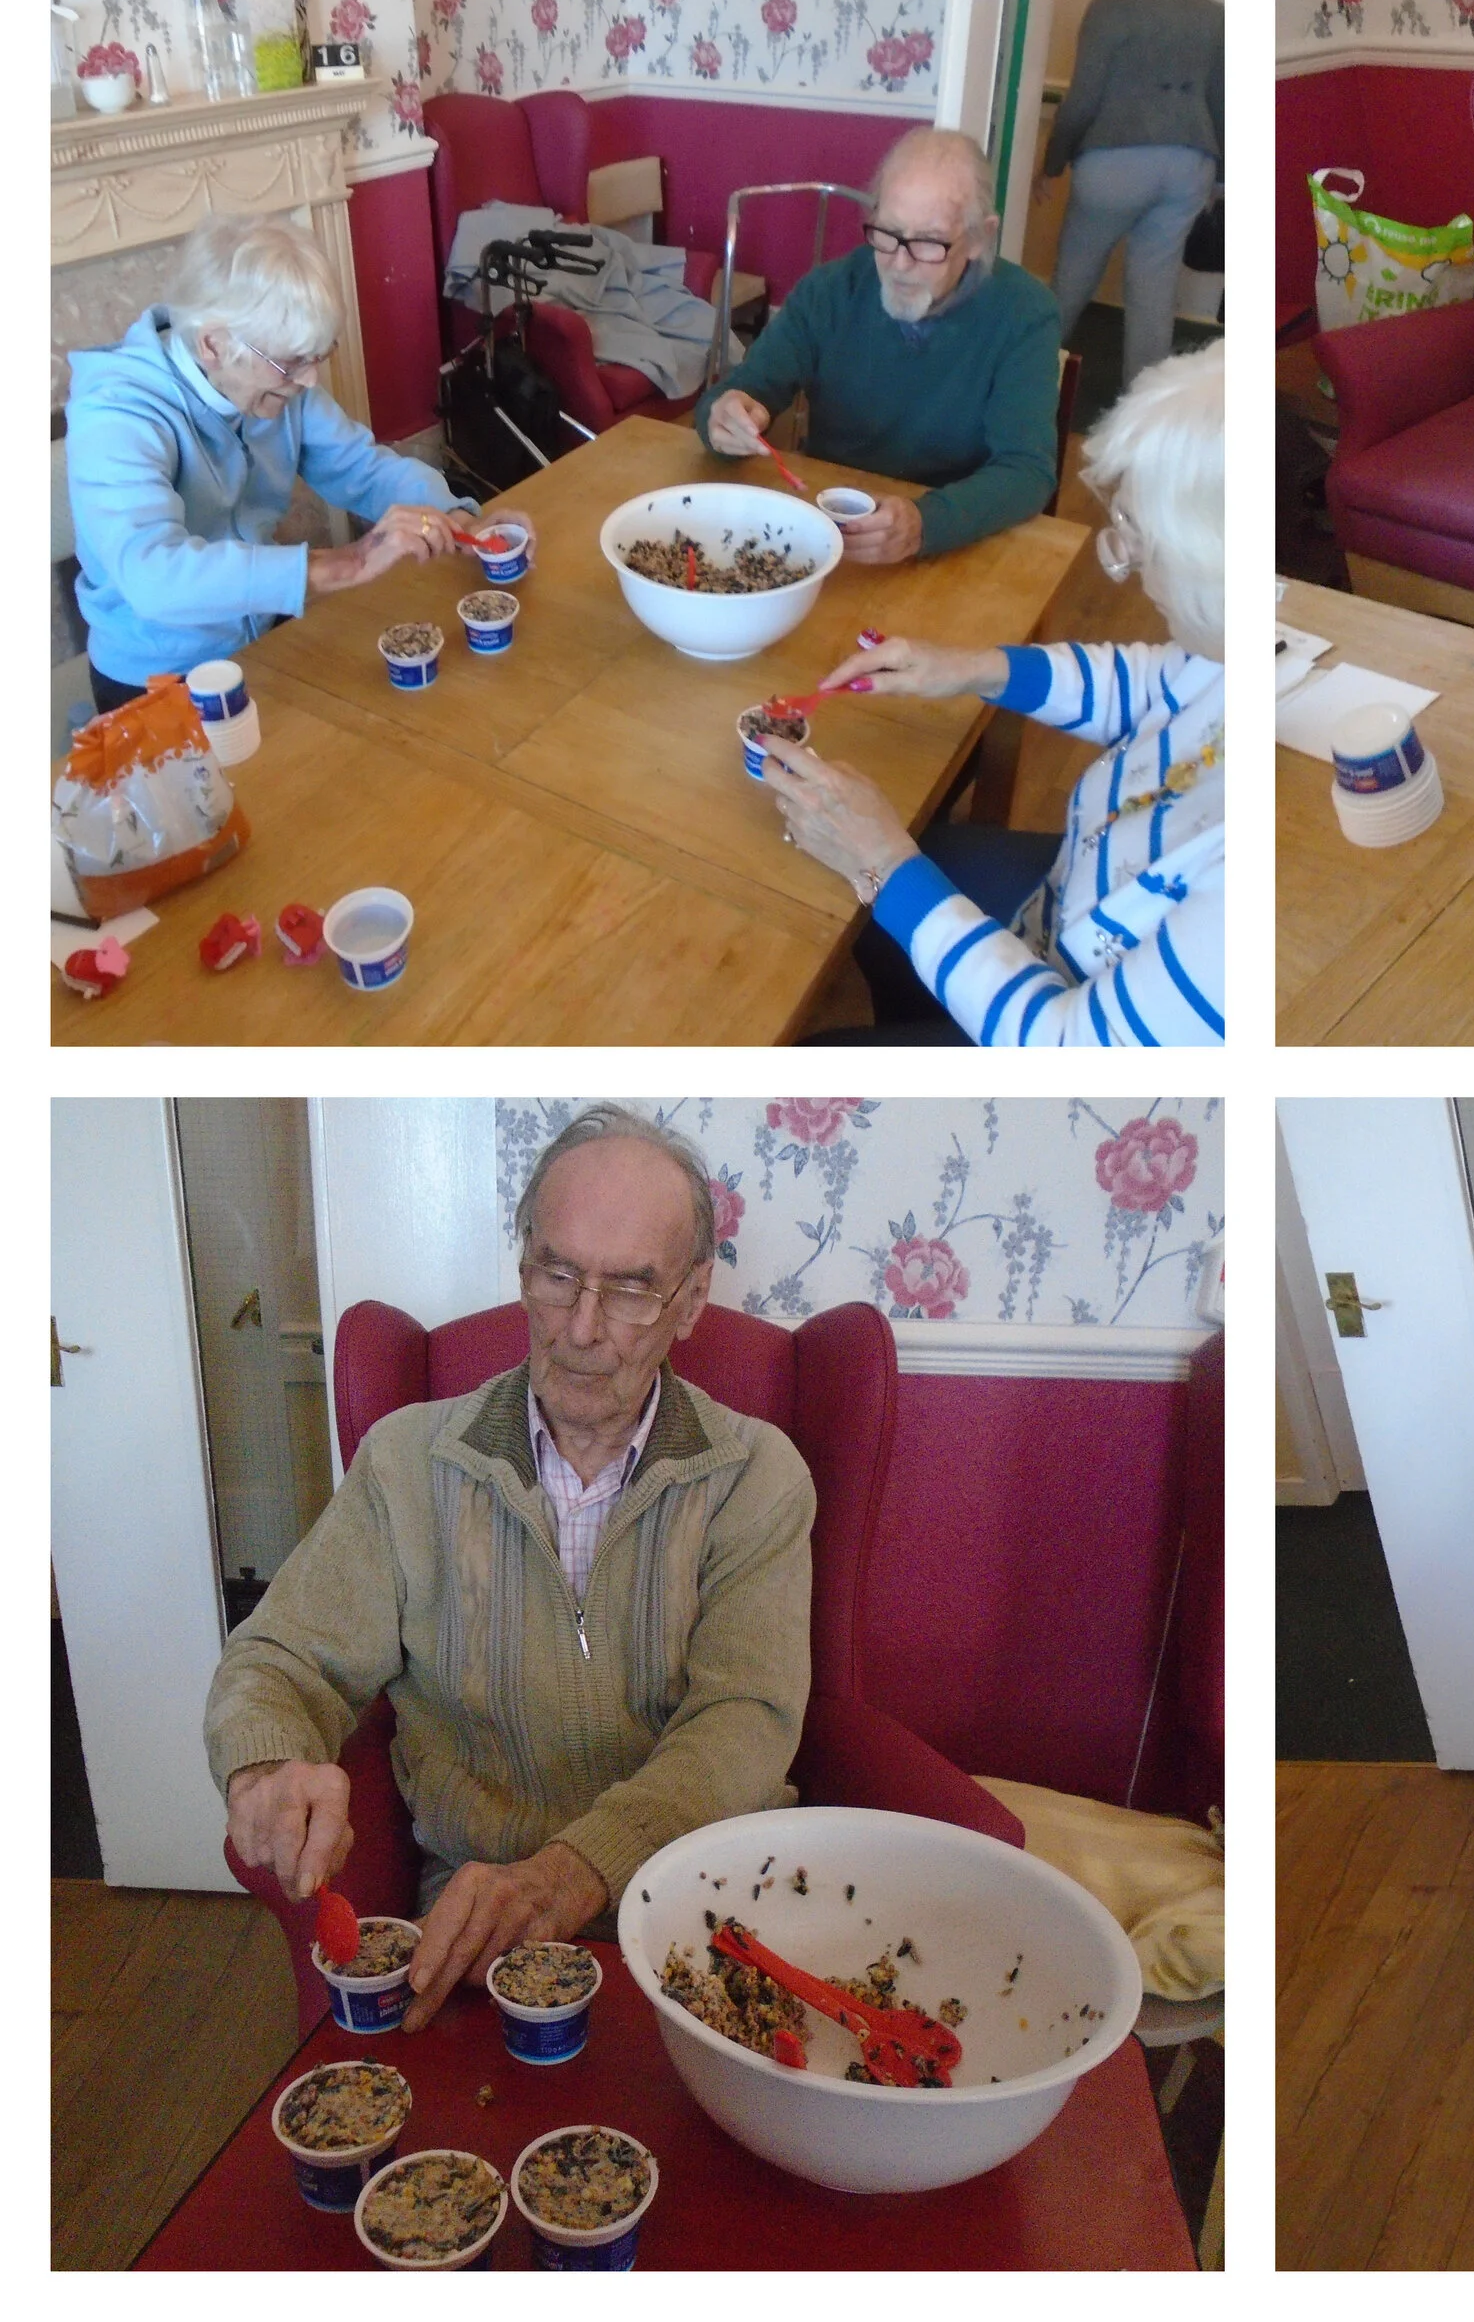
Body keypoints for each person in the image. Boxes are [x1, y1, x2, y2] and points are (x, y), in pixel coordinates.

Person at [204, 1106, 813, 2031]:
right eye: (557, 1273)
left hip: (708, 1908)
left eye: (633, 1289)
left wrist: (571, 1873)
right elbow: (281, 1659)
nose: (581, 1325)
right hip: (472, 1928)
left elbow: (745, 1722)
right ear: (524, 1263)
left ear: (691, 1300)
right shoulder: (409, 1459)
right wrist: (265, 1763)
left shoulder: (756, 1477)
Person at [766, 339, 1223, 1047]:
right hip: (1070, 903)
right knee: (898, 876)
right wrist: (974, 668)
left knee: (814, 1050)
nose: (1123, 567)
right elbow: (1157, 684)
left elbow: (1063, 1050)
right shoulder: (1250, 645)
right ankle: (921, 1007)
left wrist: (886, 864)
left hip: (1057, 1022)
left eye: (1138, 540)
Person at [66, 211, 476, 711]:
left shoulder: (274, 384)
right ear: (213, 344)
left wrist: (460, 517)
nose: (310, 382)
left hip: (261, 634)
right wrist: (341, 566)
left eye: (317, 355)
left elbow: (361, 469)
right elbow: (155, 577)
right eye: (292, 362)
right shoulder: (116, 414)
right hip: (157, 679)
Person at [692, 126, 1060, 564]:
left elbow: (1027, 471)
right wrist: (723, 417)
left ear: (980, 238)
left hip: (956, 540)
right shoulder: (829, 291)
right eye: (887, 233)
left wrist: (925, 525)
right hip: (835, 529)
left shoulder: (1024, 313)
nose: (899, 264)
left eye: (927, 242)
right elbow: (744, 390)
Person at [1039, 0, 1224, 390]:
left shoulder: (1109, 9)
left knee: (1073, 278)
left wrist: (1052, 163)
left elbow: (1081, 100)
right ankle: (1145, 411)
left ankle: (1034, 377)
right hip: (1189, 165)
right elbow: (1222, 104)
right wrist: (1222, 177)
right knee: (1154, 291)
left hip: (1113, 164)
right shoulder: (1213, 15)